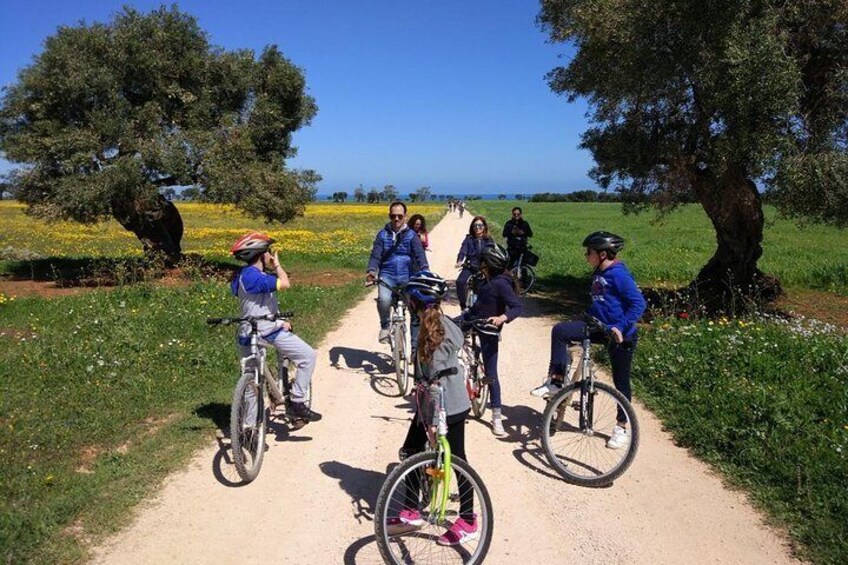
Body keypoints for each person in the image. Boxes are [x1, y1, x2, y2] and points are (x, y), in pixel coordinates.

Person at [530, 231, 645, 449]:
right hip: (598, 327)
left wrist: (620, 327)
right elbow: (602, 303)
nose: (586, 255)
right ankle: (555, 382)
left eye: (589, 252)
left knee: (621, 382)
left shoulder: (618, 275)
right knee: (561, 331)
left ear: (603, 254)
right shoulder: (598, 272)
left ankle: (621, 427)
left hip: (620, 336)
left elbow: (639, 304)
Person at [394, 271, 477, 546]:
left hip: (447, 404)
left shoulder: (434, 331)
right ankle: (411, 509)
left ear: (415, 302)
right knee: (411, 449)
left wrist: (432, 418)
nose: (406, 303)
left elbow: (437, 379)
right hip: (434, 401)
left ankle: (468, 519)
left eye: (408, 299)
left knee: (458, 460)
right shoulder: (434, 323)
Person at [229, 231, 322, 423]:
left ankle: (249, 426)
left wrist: (279, 319)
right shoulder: (256, 277)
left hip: (247, 331)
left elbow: (255, 303)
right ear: (262, 254)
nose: (270, 254)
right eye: (268, 251)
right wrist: (277, 265)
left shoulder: (241, 276)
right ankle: (297, 402)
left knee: (250, 381)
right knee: (308, 356)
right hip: (267, 332)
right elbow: (286, 283)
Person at [456, 244, 522, 436]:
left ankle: (496, 416)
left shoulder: (501, 283)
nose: (480, 264)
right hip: (472, 319)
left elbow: (517, 307)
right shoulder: (485, 280)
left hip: (488, 328)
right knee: (446, 328)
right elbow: (478, 303)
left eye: (482, 261)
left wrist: (502, 318)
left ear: (489, 263)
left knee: (491, 373)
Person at [366, 201, 429, 345]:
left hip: (408, 276)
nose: (396, 219)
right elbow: (375, 255)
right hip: (387, 275)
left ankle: (414, 348)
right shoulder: (382, 235)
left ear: (405, 217)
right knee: (384, 300)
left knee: (415, 311)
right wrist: (371, 271)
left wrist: (425, 270)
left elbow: (420, 255)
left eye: (400, 216)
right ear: (389, 216)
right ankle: (385, 326)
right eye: (393, 216)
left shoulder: (412, 236)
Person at [454, 216, 493, 310]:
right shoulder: (469, 239)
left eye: (480, 225)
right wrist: (460, 261)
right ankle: (463, 306)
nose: (477, 227)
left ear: (484, 227)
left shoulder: (489, 240)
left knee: (491, 286)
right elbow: (463, 250)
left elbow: (493, 252)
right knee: (460, 282)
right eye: (475, 225)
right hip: (470, 266)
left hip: (484, 267)